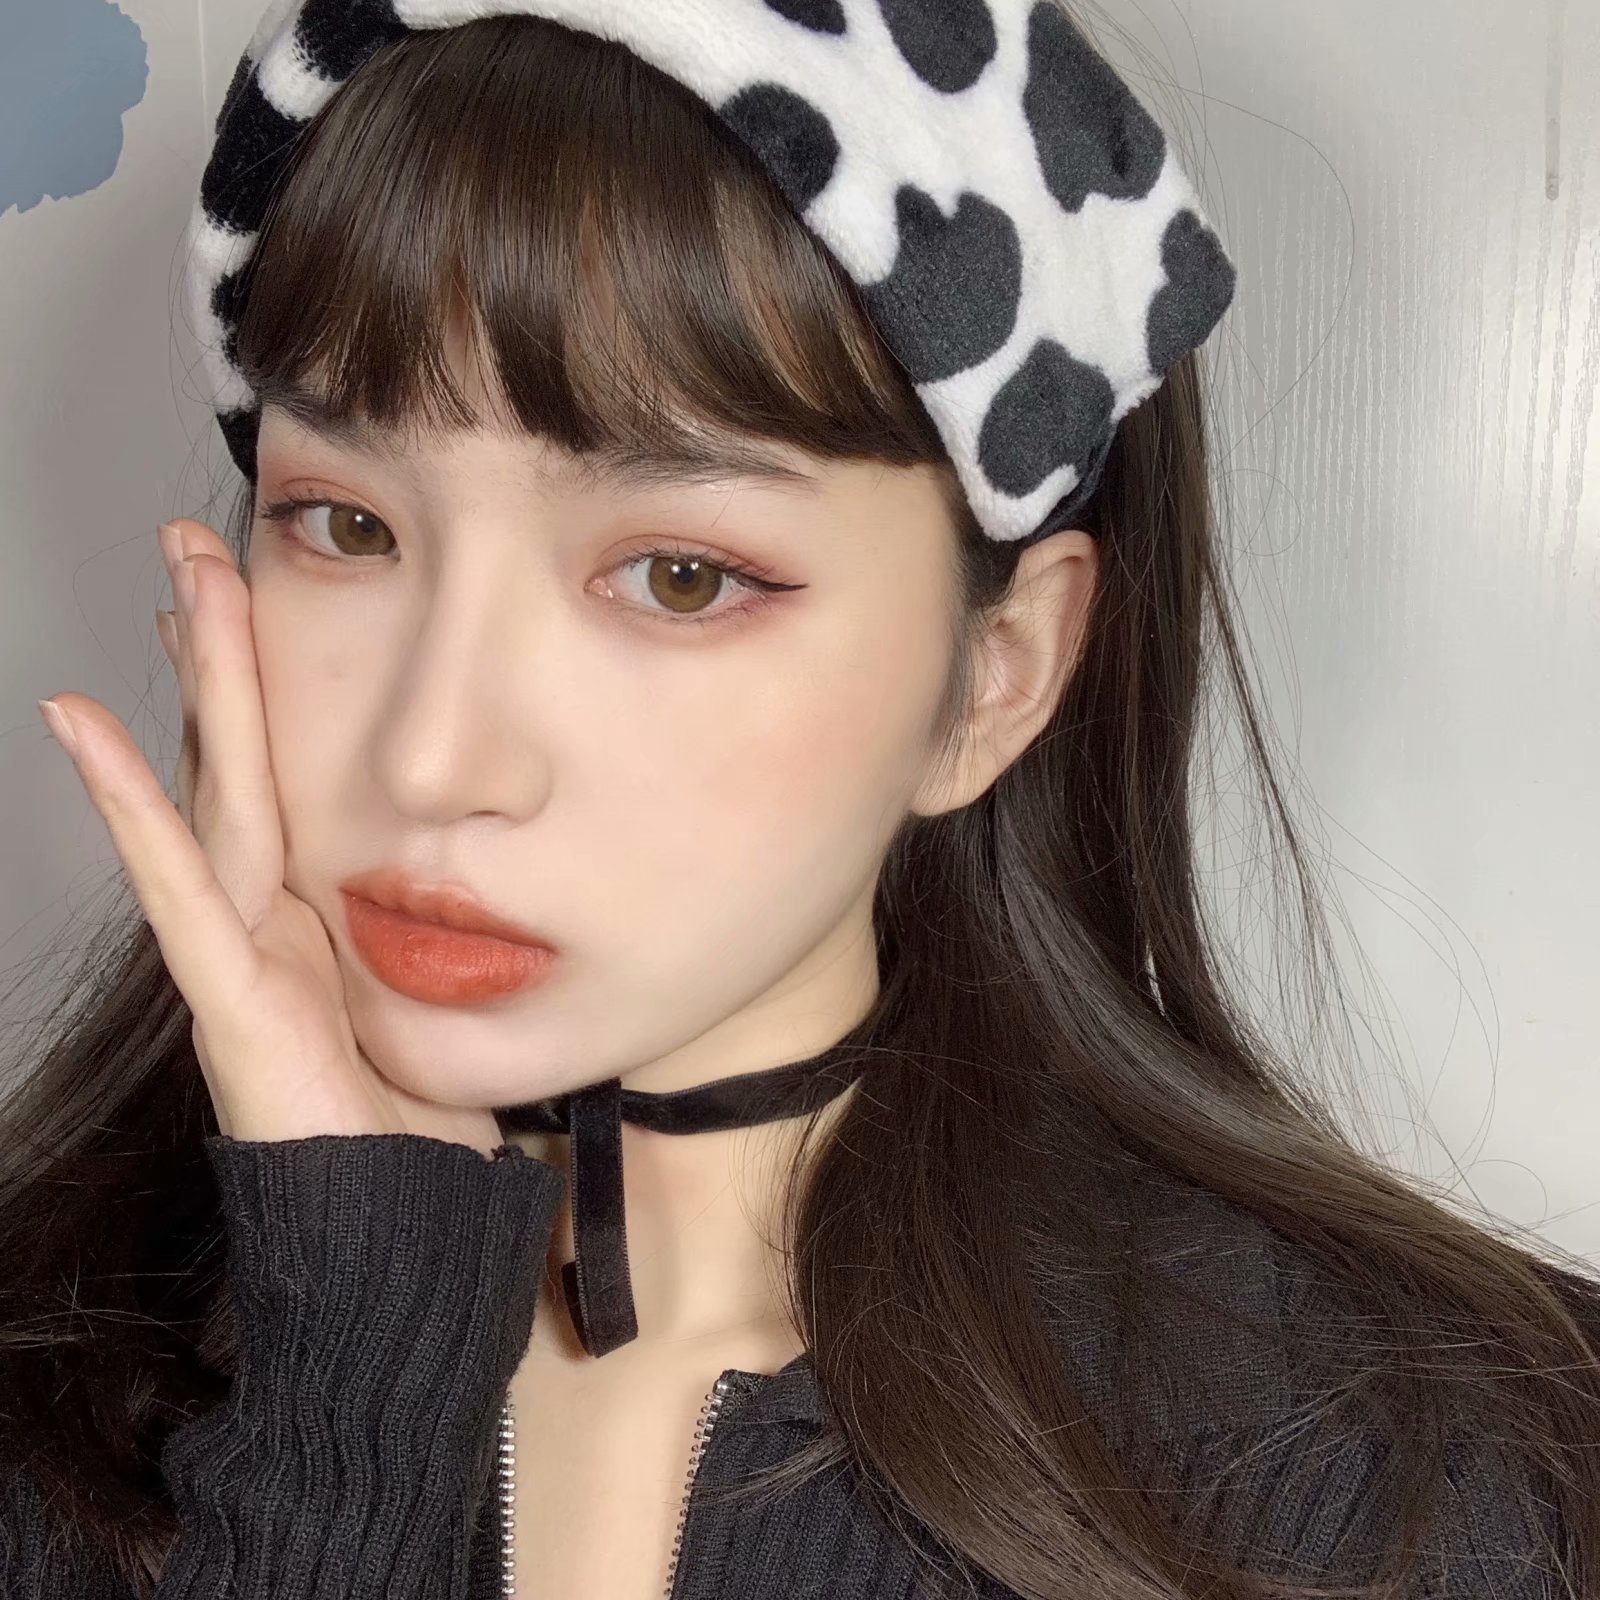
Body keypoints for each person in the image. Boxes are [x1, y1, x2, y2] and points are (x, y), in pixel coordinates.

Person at [5, 4, 1598, 1598]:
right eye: (347, 526)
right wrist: (348, 1380)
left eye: (680, 577)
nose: (430, 761)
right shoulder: (44, 1391)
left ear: (994, 677)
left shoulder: (1431, 1484)